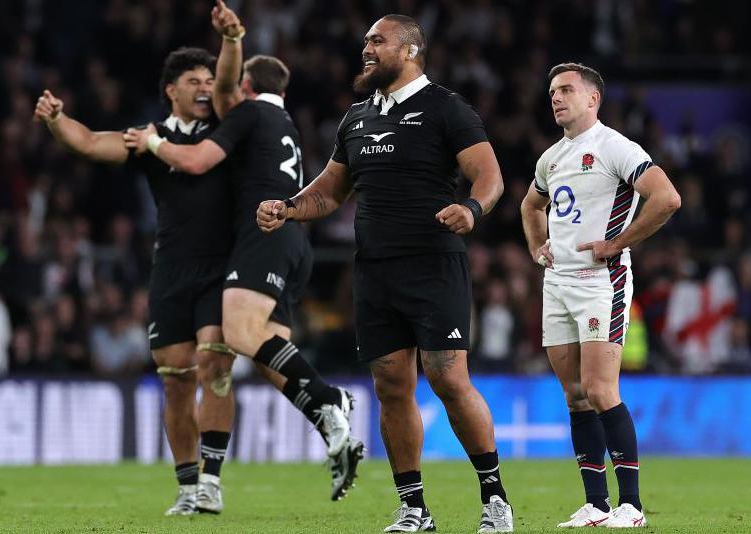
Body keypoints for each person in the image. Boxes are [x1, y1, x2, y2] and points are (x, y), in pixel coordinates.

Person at [255, 14, 512, 533]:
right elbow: (329, 191)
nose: (366, 49)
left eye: (378, 41)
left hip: (433, 265)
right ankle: (414, 508)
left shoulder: (445, 108)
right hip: (374, 272)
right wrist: (287, 207)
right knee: (391, 386)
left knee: (447, 378)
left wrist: (472, 210)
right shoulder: (356, 118)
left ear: (410, 50)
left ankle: (494, 499)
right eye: (365, 42)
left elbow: (489, 176)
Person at [34, 2, 250, 515]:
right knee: (176, 380)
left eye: (209, 77)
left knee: (214, 365)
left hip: (222, 269)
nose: (205, 86)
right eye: (193, 79)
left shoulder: (228, 128)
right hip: (171, 272)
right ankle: (187, 486)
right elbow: (88, 143)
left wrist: (232, 40)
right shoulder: (148, 136)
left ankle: (213, 482)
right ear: (171, 89)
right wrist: (58, 120)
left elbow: (228, 77)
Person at [122, 55, 363, 501]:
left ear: (244, 86)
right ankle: (333, 427)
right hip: (293, 239)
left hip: (263, 232)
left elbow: (195, 161)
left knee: (237, 332)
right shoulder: (284, 121)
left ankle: (330, 399)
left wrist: (154, 142)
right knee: (268, 351)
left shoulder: (250, 112)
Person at [520, 62, 681, 528]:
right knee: (574, 395)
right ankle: (596, 504)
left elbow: (667, 198)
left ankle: (630, 506)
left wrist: (615, 245)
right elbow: (531, 204)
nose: (556, 97)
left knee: (599, 388)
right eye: (552, 90)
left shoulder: (616, 147)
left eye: (566, 89)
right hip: (558, 283)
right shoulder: (551, 158)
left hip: (600, 282)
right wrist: (536, 246)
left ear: (593, 99)